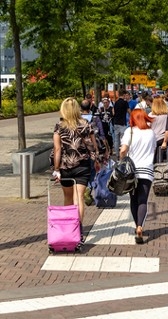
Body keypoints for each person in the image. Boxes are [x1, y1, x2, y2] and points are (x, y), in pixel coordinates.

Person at [52, 97, 100, 243]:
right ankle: (77, 229)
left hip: (66, 166)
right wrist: (96, 160)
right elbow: (93, 145)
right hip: (82, 165)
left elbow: (57, 149)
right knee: (78, 197)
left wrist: (56, 169)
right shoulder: (85, 124)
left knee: (67, 197)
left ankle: (68, 228)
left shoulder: (59, 126)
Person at [119, 109, 156, 244]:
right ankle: (141, 226)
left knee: (133, 199)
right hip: (147, 170)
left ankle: (136, 227)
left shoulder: (130, 131)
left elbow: (123, 149)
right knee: (143, 200)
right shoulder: (151, 133)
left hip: (132, 171)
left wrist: (121, 160)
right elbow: (153, 149)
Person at [149, 95, 168, 163]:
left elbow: (147, 127)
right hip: (164, 138)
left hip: (153, 138)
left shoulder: (151, 115)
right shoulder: (167, 115)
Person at [113, 89, 130, 157]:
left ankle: (117, 154)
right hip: (122, 123)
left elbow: (113, 112)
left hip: (116, 122)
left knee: (116, 140)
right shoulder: (125, 102)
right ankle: (123, 154)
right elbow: (129, 111)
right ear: (123, 95)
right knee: (123, 140)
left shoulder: (116, 102)